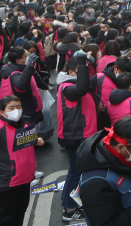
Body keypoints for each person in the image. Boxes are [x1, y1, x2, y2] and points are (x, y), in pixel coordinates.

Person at [0, 96, 45, 226]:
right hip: (8, 183)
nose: (16, 110)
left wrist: (37, 140)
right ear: (1, 112)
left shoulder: (24, 123)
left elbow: (28, 140)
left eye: (19, 107)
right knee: (7, 219)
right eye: (11, 108)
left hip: (25, 179)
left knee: (20, 213)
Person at [56, 55, 97, 222]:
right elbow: (82, 88)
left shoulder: (73, 84)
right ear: (71, 72)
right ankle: (69, 209)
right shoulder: (67, 87)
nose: (84, 76)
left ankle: (71, 202)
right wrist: (82, 63)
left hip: (82, 134)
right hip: (76, 136)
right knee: (75, 172)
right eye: (81, 72)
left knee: (77, 172)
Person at [0, 49, 47, 125]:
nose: (28, 57)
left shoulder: (24, 69)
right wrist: (29, 66)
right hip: (27, 110)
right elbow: (21, 86)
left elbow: (36, 78)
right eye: (25, 56)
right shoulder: (15, 73)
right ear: (18, 61)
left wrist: (44, 86)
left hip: (31, 108)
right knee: (29, 132)